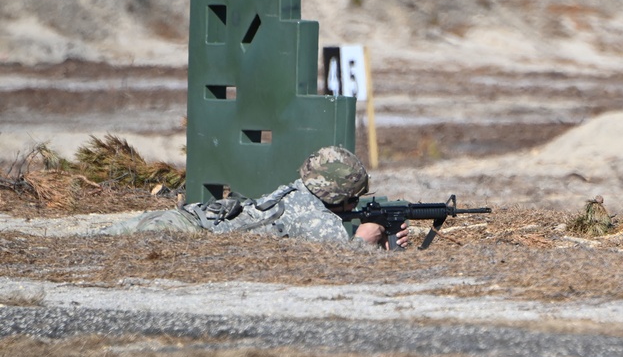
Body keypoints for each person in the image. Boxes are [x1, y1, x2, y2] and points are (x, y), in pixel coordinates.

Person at [96, 146, 408, 249]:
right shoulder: (317, 220)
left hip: (188, 218)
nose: (354, 205)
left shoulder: (297, 191)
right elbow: (344, 265)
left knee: (98, 240)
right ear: (335, 194)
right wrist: (366, 239)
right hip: (184, 231)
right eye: (351, 198)